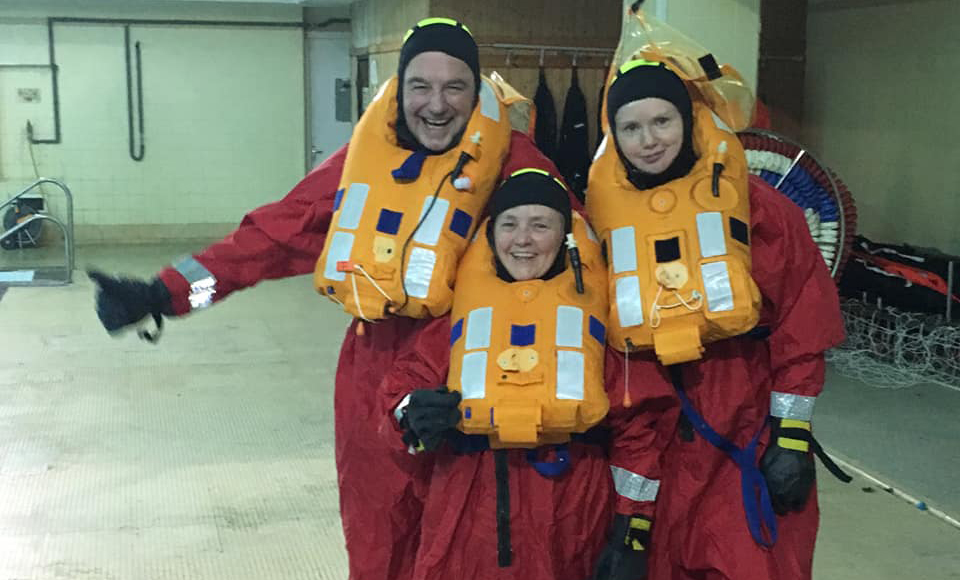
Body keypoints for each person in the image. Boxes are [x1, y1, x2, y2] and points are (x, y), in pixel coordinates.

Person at [88, 18, 570, 580]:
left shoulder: (521, 166)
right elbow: (267, 240)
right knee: (378, 541)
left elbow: (580, 270)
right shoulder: (360, 165)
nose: (436, 105)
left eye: (454, 87)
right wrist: (166, 293)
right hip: (372, 374)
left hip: (477, 374)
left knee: (470, 548)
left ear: (475, 90)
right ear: (400, 88)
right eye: (421, 86)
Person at [587, 60, 845, 580]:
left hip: (747, 433)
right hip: (661, 432)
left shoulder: (760, 212)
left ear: (688, 120)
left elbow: (802, 322)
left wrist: (790, 437)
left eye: (662, 121)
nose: (649, 140)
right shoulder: (600, 227)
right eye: (631, 128)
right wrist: (629, 520)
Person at [377, 169, 613, 580]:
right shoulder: (456, 321)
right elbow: (396, 398)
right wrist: (413, 412)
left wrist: (632, 527)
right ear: (490, 236)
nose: (523, 239)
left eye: (540, 225)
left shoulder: (602, 321)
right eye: (509, 224)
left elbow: (642, 422)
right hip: (468, 508)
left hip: (570, 507)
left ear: (565, 238)